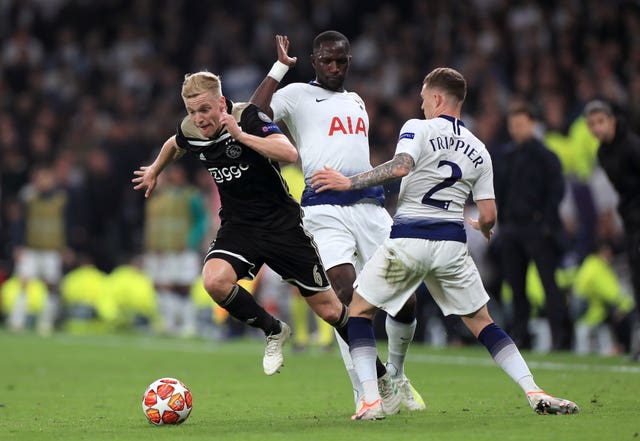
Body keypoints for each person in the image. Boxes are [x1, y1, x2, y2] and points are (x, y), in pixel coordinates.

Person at [311, 67, 579, 419]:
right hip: (452, 246)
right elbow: (488, 212)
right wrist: (483, 228)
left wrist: (349, 182)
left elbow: (402, 166)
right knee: (483, 322)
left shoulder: (417, 128)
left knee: (358, 311)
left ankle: (373, 400)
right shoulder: (479, 148)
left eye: (424, 99)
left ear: (437, 98)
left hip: (409, 239)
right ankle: (533, 389)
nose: (421, 106)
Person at [132, 71, 351, 377]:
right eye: (192, 112)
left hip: (281, 225)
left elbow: (288, 152)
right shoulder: (191, 128)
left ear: (221, 103)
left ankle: (382, 374)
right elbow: (175, 141)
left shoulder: (247, 116)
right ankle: (274, 330)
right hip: (239, 227)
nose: (199, 119)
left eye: (205, 110)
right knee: (213, 281)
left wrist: (241, 136)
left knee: (330, 310)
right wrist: (156, 168)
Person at [249, 31, 424, 414]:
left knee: (407, 303)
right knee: (345, 293)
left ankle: (394, 375)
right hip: (323, 210)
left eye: (341, 60)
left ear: (349, 61)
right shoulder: (295, 95)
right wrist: (280, 68)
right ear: (314, 60)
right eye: (326, 60)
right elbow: (253, 115)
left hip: (370, 209)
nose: (334, 67)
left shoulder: (357, 101)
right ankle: (365, 392)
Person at [493, 103, 571, 351]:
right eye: (513, 125)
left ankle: (561, 338)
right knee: (516, 287)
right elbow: (499, 191)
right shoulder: (505, 156)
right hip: (513, 229)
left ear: (532, 124)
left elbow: (556, 190)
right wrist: (503, 222)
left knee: (549, 285)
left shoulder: (546, 156)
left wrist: (545, 222)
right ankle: (521, 336)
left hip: (537, 228)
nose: (516, 129)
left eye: (521, 124)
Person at [584, 99, 640, 360]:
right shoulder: (602, 153)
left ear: (612, 121)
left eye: (600, 122)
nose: (596, 128)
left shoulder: (632, 147)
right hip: (631, 221)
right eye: (591, 124)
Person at [142, 162, 209, 337]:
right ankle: (170, 322)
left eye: (176, 172)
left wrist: (191, 241)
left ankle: (189, 324)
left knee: (184, 286)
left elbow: (202, 220)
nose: (173, 176)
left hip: (184, 249)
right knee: (166, 285)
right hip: (164, 249)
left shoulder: (191, 195)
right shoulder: (161, 197)